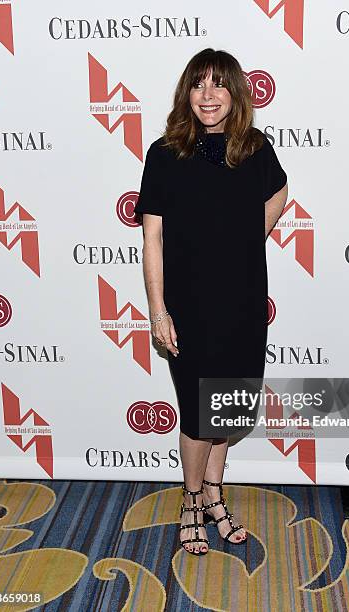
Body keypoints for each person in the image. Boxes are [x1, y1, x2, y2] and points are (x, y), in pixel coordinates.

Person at [135, 48, 288, 556]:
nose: (208, 95)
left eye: (218, 84)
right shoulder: (164, 153)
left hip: (242, 300)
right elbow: (152, 238)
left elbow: (279, 194)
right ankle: (192, 501)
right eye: (198, 85)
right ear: (187, 93)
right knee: (199, 414)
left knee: (226, 407)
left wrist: (247, 241)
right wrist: (158, 309)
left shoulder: (254, 149)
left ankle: (217, 497)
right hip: (188, 304)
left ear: (235, 93)